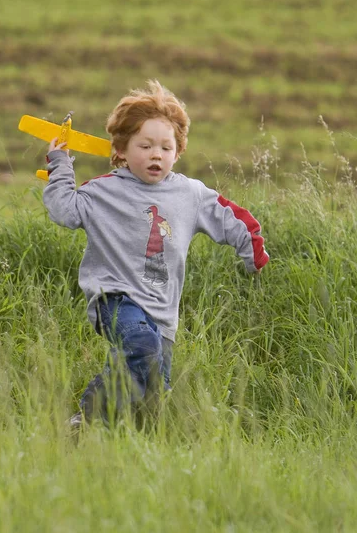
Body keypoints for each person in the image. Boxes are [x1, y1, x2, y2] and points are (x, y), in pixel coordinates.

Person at [43, 79, 269, 429]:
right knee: (139, 343)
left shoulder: (189, 194)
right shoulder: (103, 191)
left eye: (166, 147)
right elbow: (65, 210)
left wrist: (251, 251)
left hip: (163, 310)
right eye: (145, 145)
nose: (156, 155)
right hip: (114, 297)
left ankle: (125, 437)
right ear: (120, 150)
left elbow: (229, 217)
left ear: (178, 152)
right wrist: (60, 164)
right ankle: (85, 420)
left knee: (153, 389)